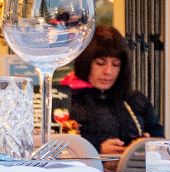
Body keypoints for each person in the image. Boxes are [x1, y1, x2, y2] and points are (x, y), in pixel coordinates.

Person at [58, 27, 163, 156]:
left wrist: (148, 144)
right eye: (100, 63)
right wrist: (96, 150)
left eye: (115, 64)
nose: (108, 72)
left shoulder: (134, 100)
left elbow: (160, 139)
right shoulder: (64, 98)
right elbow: (52, 145)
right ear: (85, 62)